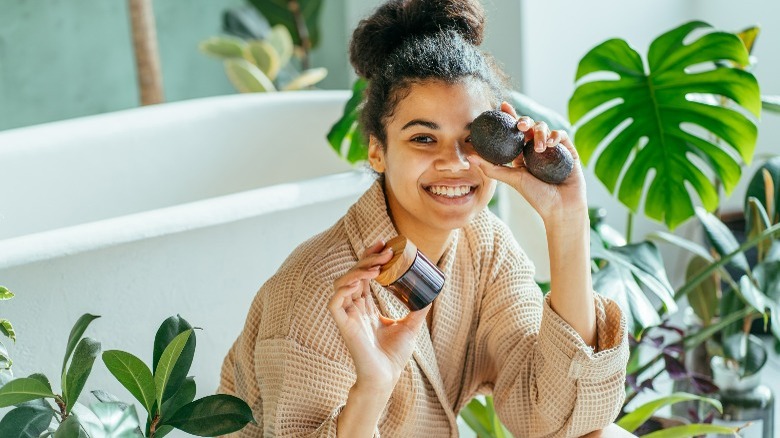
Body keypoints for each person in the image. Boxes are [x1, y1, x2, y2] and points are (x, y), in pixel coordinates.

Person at [218, 0, 629, 436]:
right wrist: (372, 388)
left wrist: (566, 220)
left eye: (472, 139)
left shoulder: (484, 247)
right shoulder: (317, 297)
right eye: (422, 138)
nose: (453, 163)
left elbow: (560, 417)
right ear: (377, 151)